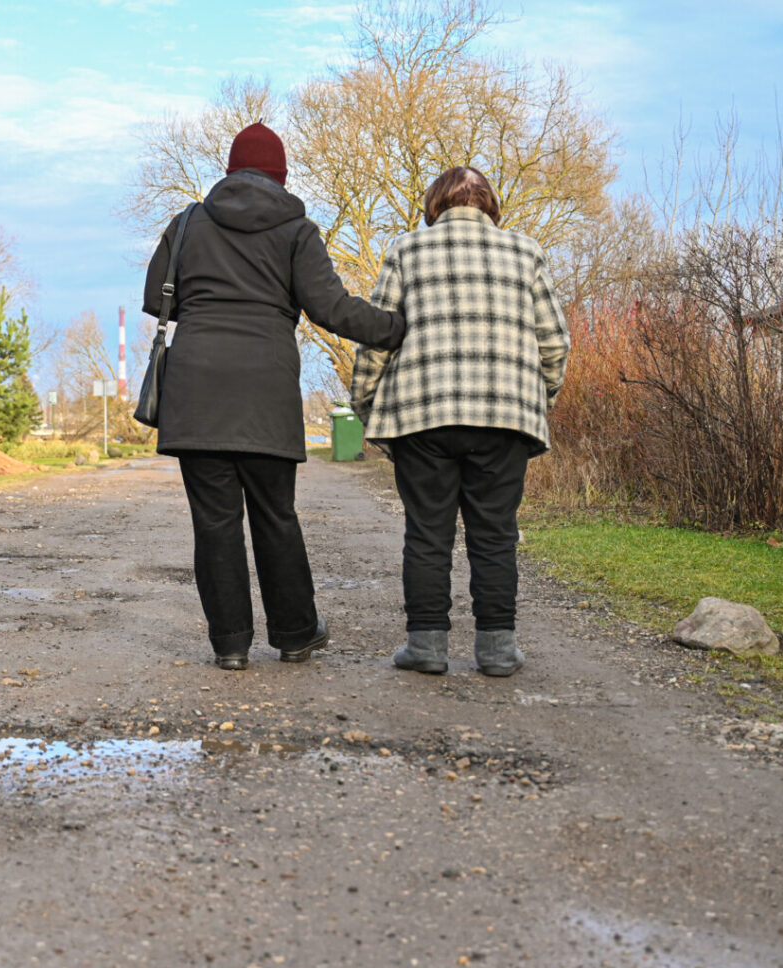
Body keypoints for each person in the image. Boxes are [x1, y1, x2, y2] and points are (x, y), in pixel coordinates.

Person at [142, 123, 405, 671]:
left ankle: (231, 645)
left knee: (214, 524)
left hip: (196, 393)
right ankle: (295, 633)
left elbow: (155, 297)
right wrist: (397, 327)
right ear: (281, 175)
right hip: (265, 390)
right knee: (275, 515)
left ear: (230, 170)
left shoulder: (188, 222)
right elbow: (331, 308)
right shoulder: (296, 229)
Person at [351, 167, 570, 677]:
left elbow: (379, 336)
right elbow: (555, 343)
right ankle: (497, 650)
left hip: (423, 417)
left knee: (427, 533)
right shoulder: (526, 251)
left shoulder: (407, 250)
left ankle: (426, 647)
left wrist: (367, 404)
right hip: (505, 416)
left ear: (435, 206)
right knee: (495, 533)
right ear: (489, 205)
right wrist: (538, 400)